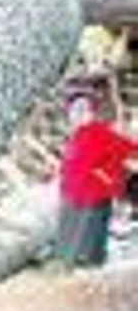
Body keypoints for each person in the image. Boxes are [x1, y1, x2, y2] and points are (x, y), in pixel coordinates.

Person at [55, 89, 138, 268]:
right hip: (81, 200)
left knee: (91, 245)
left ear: (91, 112)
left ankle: (87, 263)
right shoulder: (75, 139)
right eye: (76, 111)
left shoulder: (97, 132)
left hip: (102, 194)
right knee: (83, 246)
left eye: (85, 109)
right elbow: (70, 172)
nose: (81, 114)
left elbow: (127, 147)